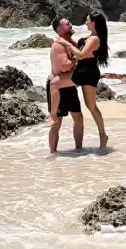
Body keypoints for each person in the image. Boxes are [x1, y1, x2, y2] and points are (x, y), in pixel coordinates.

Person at [61, 12, 110, 149]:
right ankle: (66, 112)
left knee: (91, 106)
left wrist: (65, 43)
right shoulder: (90, 37)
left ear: (94, 22)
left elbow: (81, 55)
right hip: (82, 72)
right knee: (91, 106)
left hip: (88, 73)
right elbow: (81, 49)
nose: (86, 22)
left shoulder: (95, 39)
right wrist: (69, 40)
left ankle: (102, 135)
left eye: (88, 20)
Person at [46, 17, 84, 153]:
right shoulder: (58, 45)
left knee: (78, 117)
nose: (71, 24)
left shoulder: (69, 42)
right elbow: (64, 65)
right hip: (58, 84)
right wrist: (76, 59)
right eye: (68, 24)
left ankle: (79, 149)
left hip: (68, 84)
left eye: (70, 22)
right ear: (59, 29)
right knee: (57, 123)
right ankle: (53, 154)